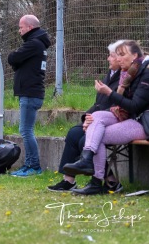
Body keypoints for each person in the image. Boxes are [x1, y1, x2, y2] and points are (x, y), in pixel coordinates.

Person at [63, 40, 149, 195]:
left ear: (134, 56)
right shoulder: (129, 75)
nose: (118, 59)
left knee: (98, 135)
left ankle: (95, 181)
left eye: (122, 55)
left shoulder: (148, 74)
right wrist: (89, 120)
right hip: (135, 119)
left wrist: (109, 93)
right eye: (117, 55)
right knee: (97, 118)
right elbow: (119, 107)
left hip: (148, 123)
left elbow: (134, 106)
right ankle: (88, 163)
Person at [47, 40, 124, 192]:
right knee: (73, 133)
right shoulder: (110, 74)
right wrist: (86, 118)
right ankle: (68, 180)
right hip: (97, 119)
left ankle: (110, 180)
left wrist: (92, 120)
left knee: (85, 140)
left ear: (121, 58)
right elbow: (98, 104)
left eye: (111, 56)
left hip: (113, 121)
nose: (108, 59)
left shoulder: (124, 77)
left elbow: (118, 105)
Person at [8, 14, 51, 177]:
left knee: (26, 130)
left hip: (30, 93)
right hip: (31, 92)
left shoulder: (34, 44)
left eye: (21, 27)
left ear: (30, 27)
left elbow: (13, 57)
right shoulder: (37, 44)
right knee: (26, 130)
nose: (19, 31)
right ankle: (29, 165)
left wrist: (16, 60)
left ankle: (33, 165)